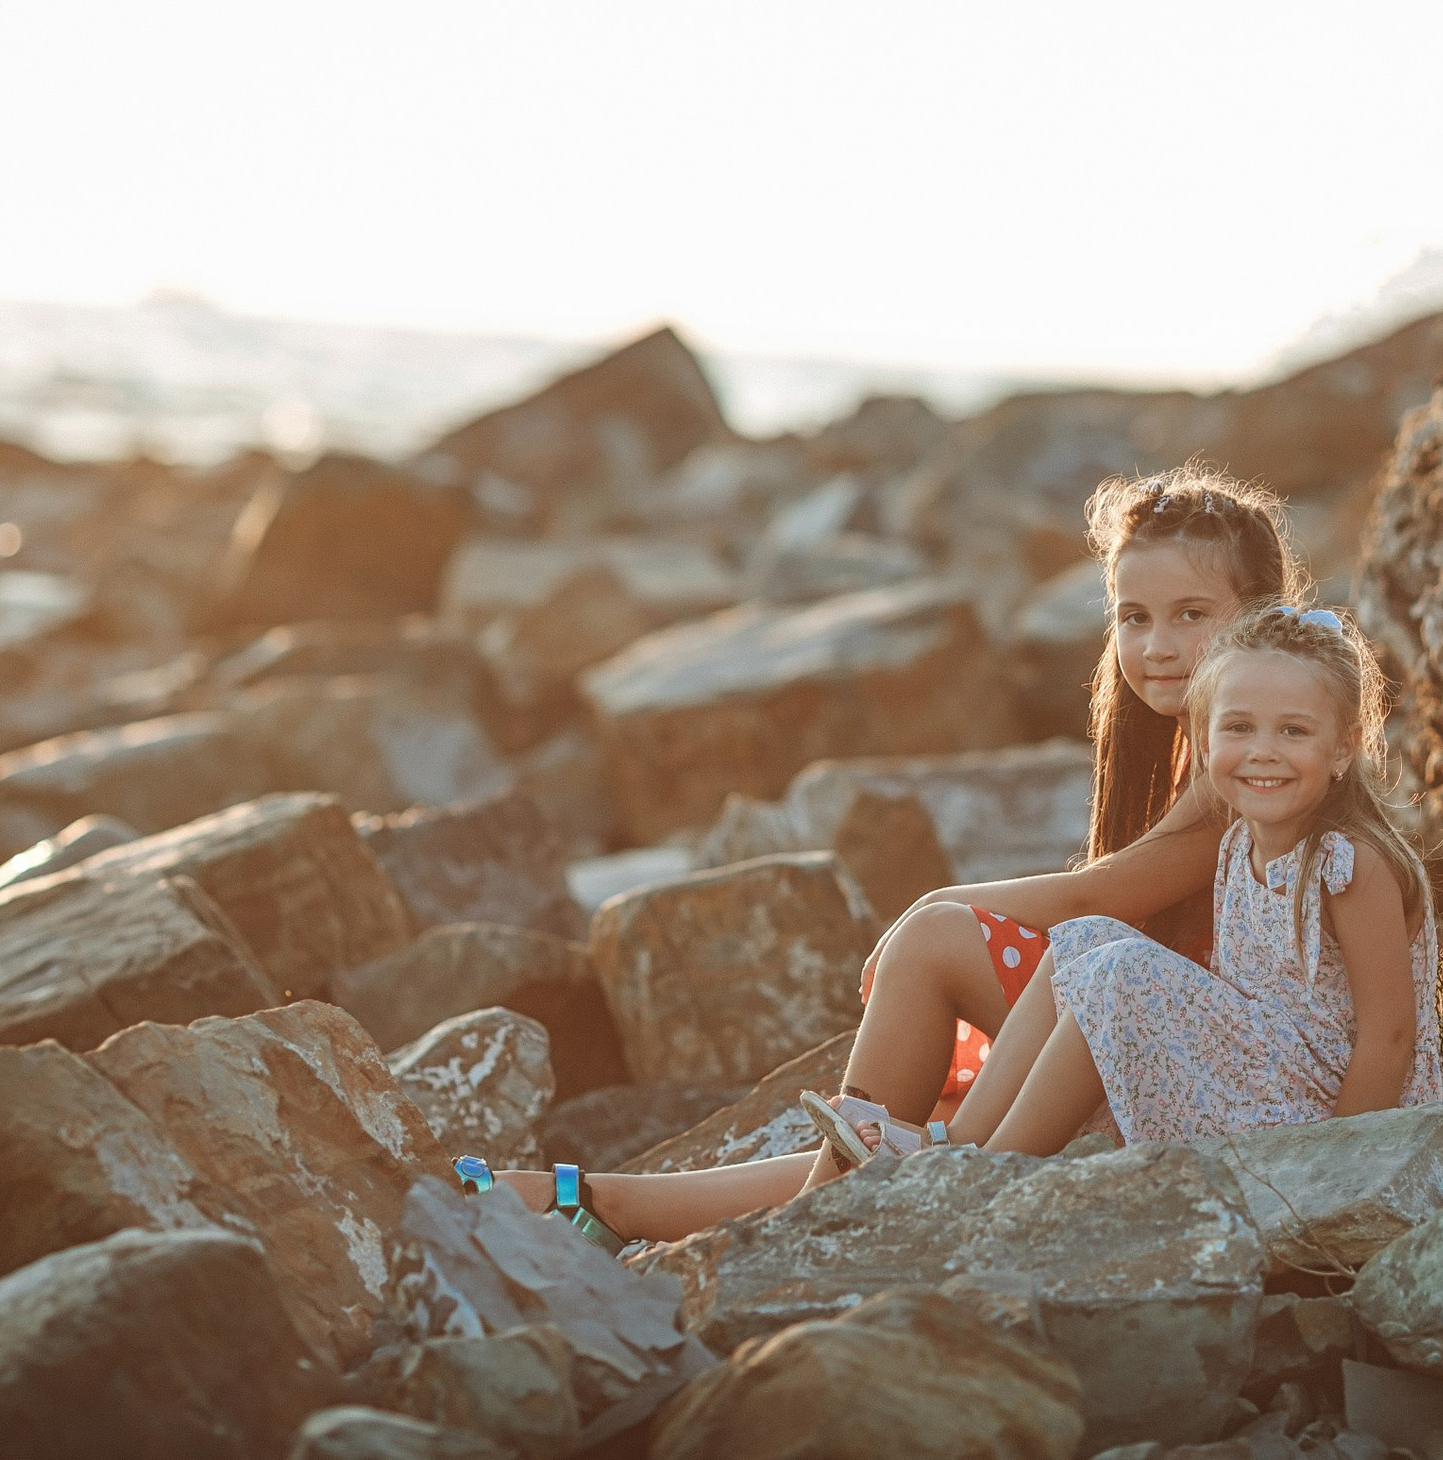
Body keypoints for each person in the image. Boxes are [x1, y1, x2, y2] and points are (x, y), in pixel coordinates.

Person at [457, 464, 1306, 1245]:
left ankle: (634, 1207)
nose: (1156, 645)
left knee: (933, 948)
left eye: (1191, 616)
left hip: (1214, 1072)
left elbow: (1110, 892)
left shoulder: (1254, 762)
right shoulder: (1203, 745)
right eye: (1135, 616)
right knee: (886, 1138)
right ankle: (598, 1199)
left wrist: (933, 914)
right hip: (1154, 1039)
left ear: (1262, 617)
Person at [813, 601, 1443, 1165]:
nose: (1263, 750)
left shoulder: (1348, 863)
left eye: (1294, 731)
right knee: (1085, 938)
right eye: (1238, 727)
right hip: (1263, 1084)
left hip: (1328, 1119)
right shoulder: (1235, 847)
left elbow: (1389, 1037)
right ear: (1202, 741)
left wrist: (1337, 1166)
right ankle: (953, 1148)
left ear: (1343, 749)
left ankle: (985, 1173)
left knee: (1121, 972)